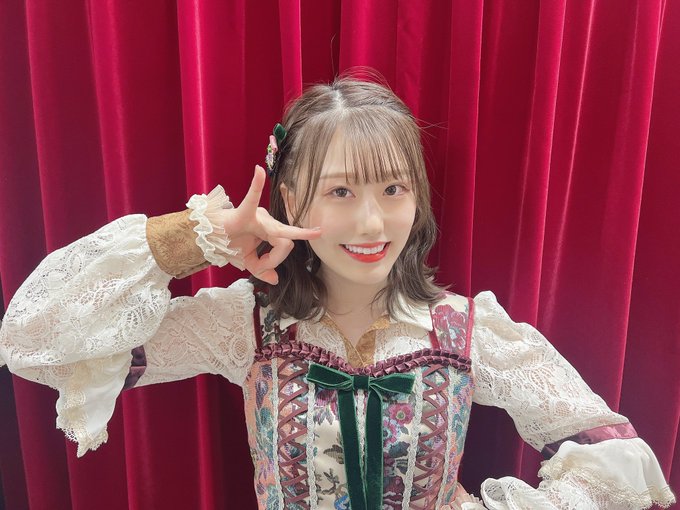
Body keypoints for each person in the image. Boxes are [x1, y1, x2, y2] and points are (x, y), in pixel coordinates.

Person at [0, 78, 675, 510]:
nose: (372, 223)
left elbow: (613, 454)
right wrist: (194, 238)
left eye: (393, 189)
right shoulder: (245, 325)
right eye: (341, 191)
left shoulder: (467, 331)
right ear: (292, 199)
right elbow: (36, 343)